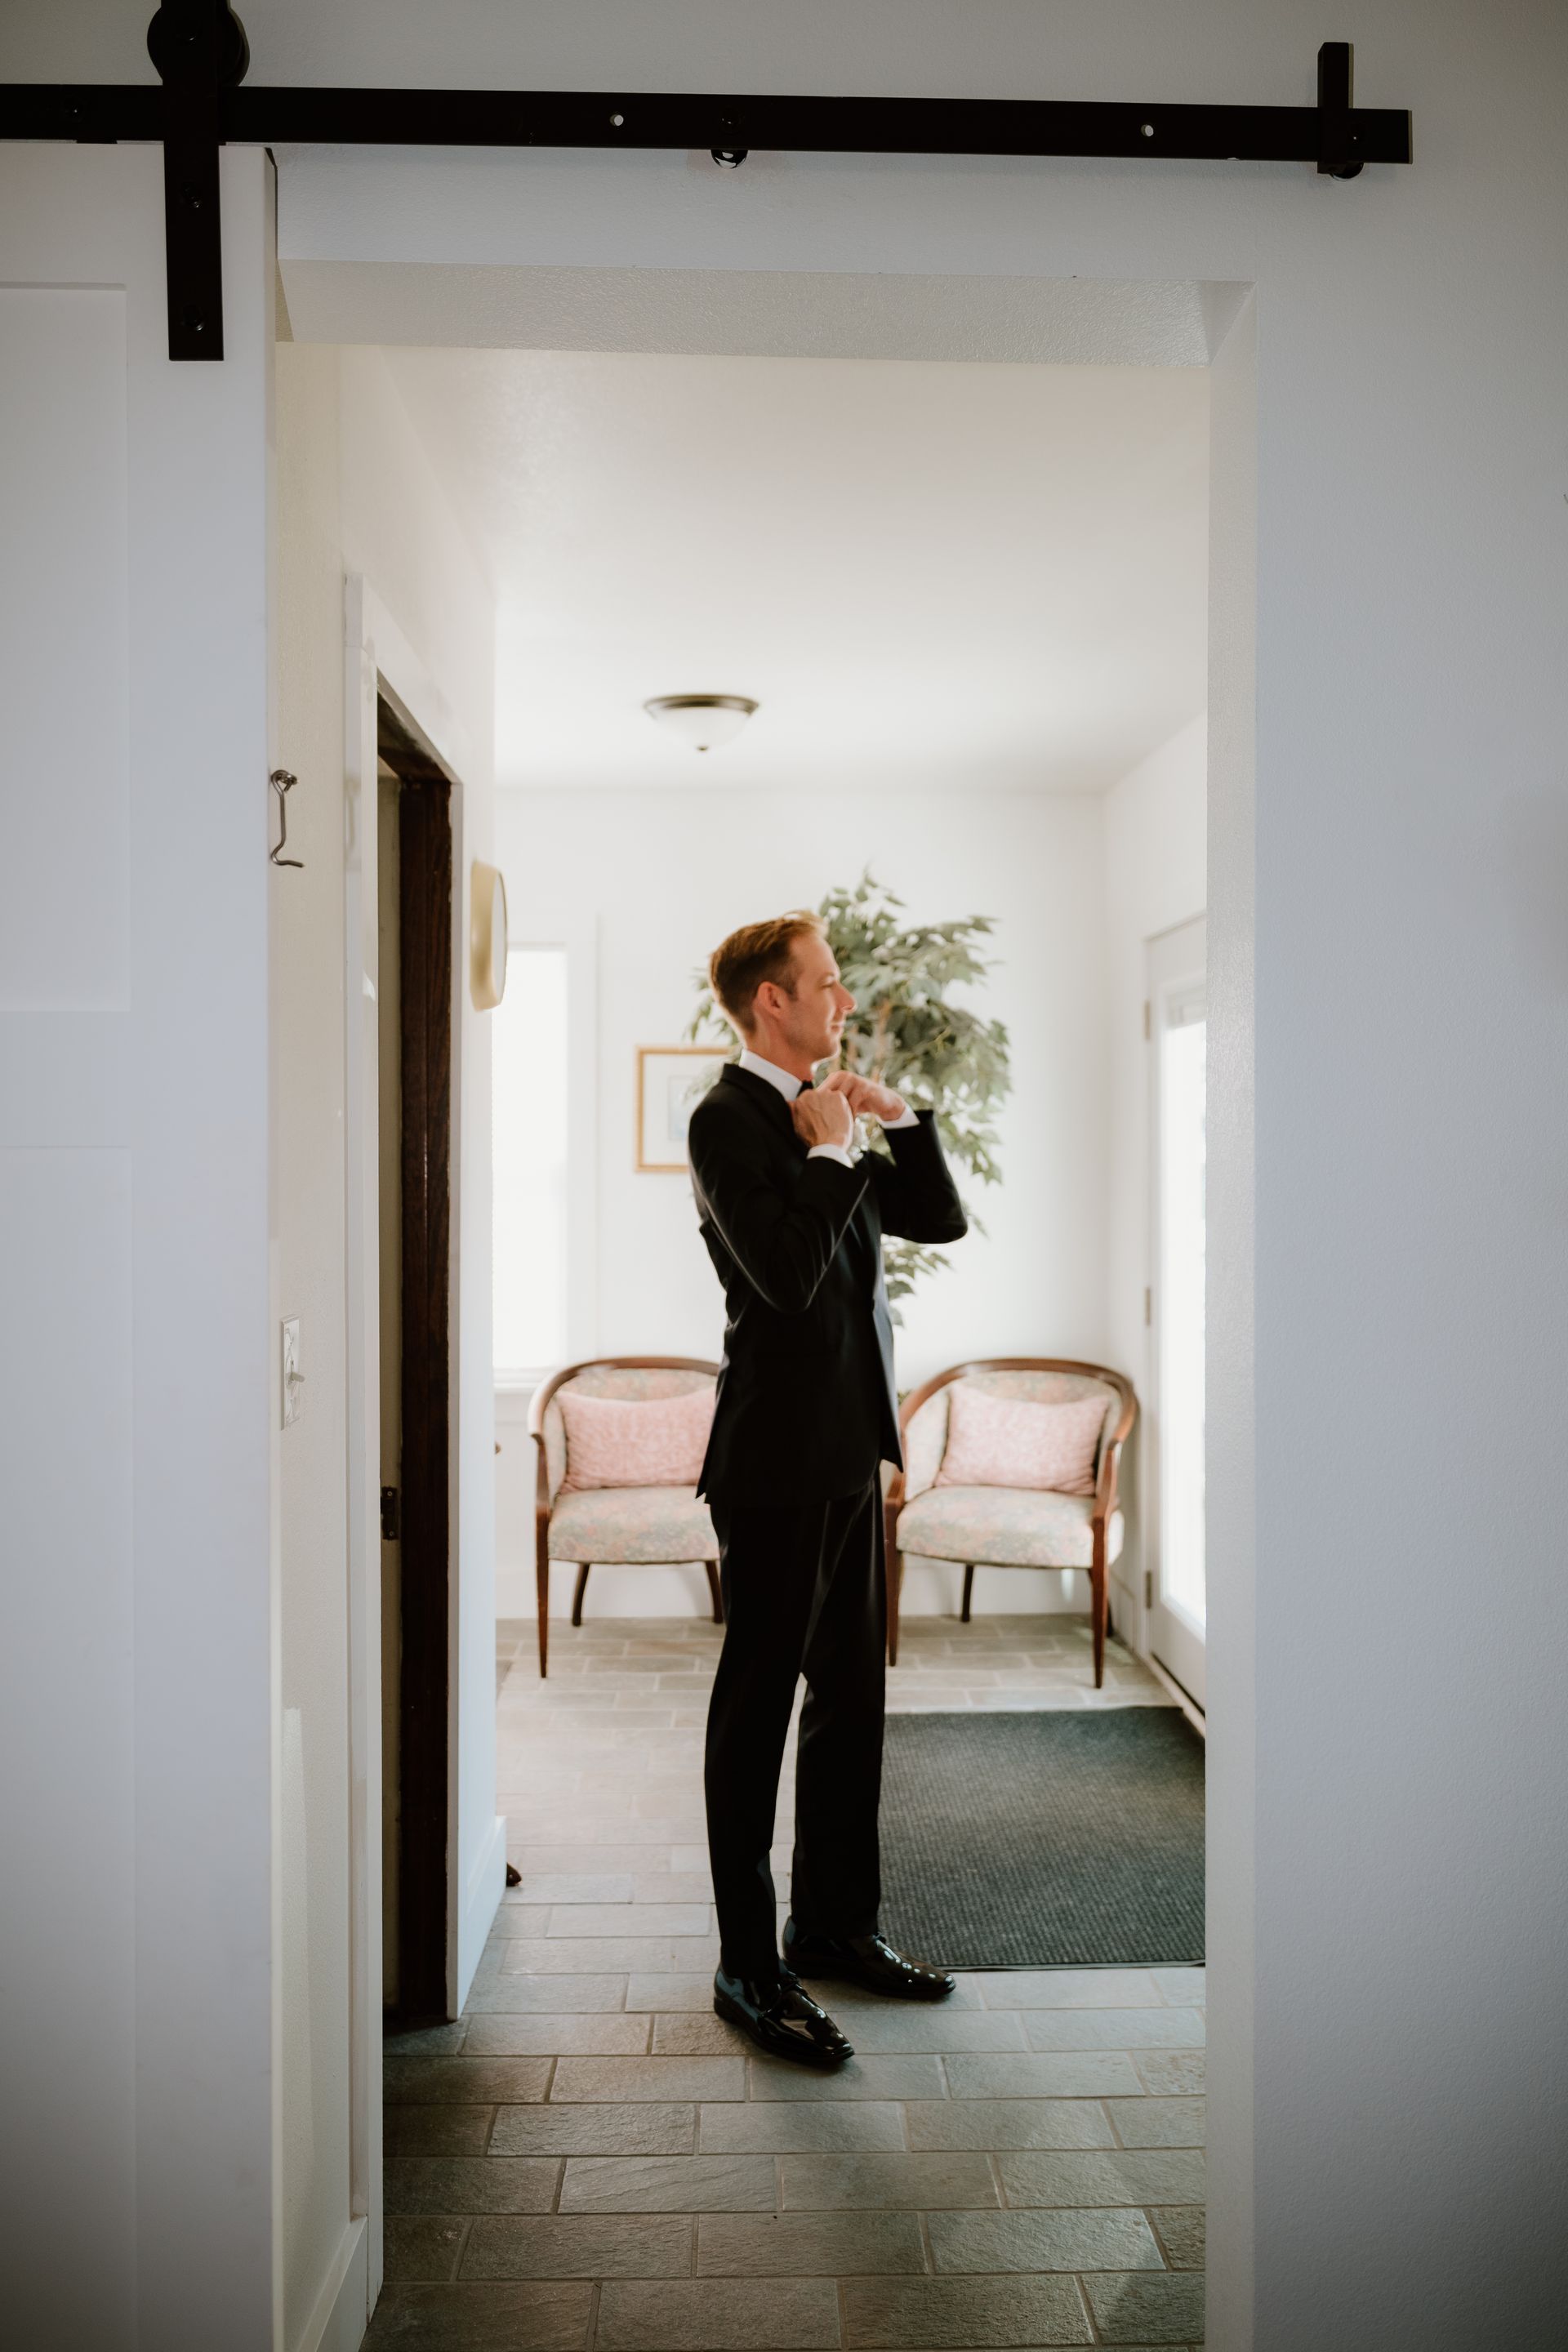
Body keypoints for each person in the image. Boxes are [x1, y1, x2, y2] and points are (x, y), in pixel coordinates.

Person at [688, 909, 969, 2066]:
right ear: (774, 1003)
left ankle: (834, 1925)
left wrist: (901, 1124)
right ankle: (749, 1967)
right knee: (756, 1712)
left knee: (855, 1699)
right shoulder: (726, 1121)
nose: (843, 1001)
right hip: (770, 1463)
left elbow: (938, 1220)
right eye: (829, 983)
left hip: (854, 1450)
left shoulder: (835, 1116)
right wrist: (828, 1150)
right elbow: (792, 1280)